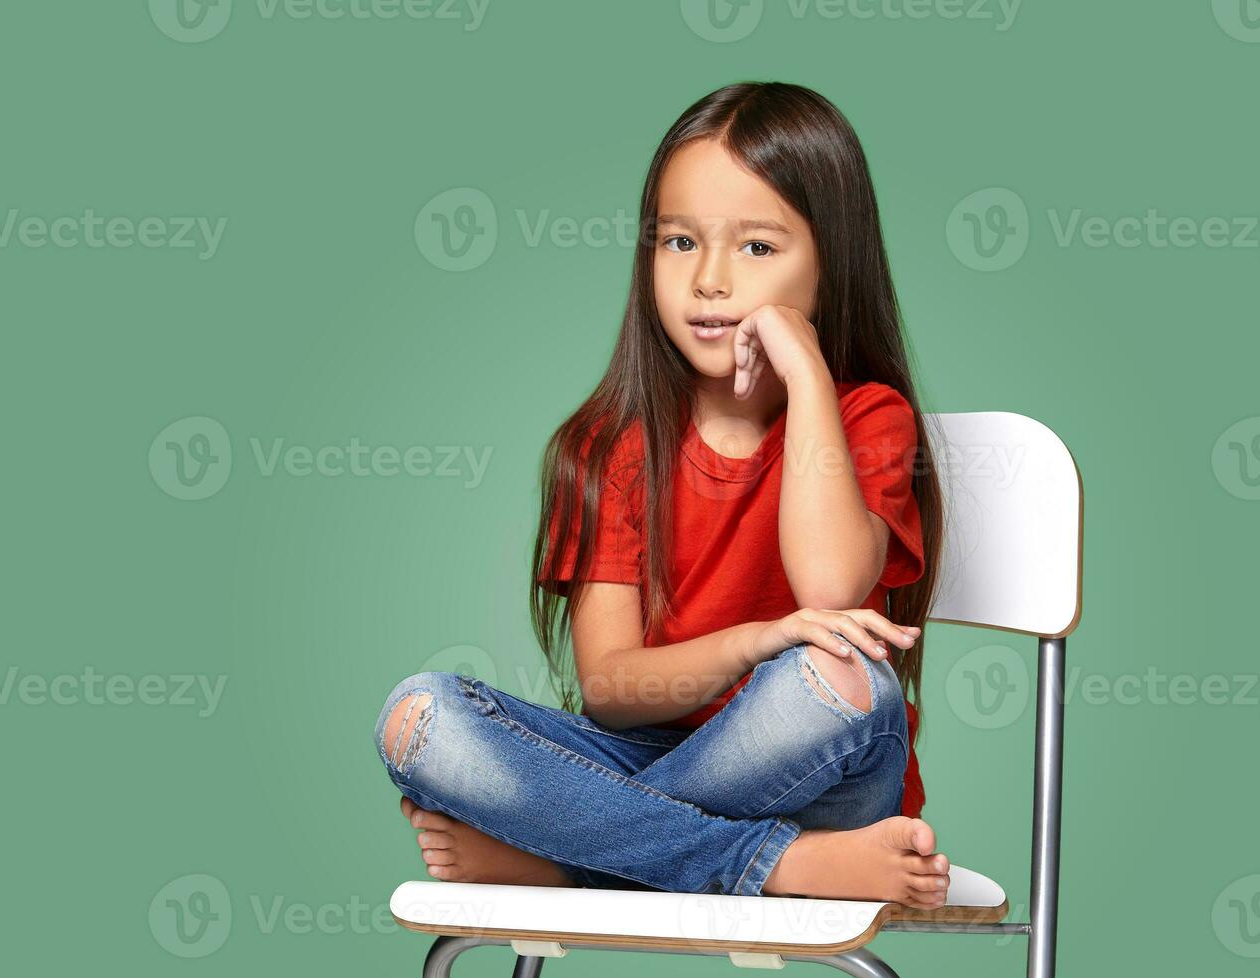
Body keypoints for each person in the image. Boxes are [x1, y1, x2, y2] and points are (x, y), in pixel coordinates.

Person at [375, 81, 951, 907]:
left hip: (829, 784)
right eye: (680, 242)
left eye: (757, 248)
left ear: (832, 263)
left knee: (842, 677)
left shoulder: (867, 418)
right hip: (659, 763)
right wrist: (759, 637)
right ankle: (771, 867)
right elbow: (612, 691)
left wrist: (808, 374)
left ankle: (574, 856)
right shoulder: (610, 445)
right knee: (418, 714)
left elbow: (830, 591)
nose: (710, 280)